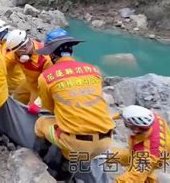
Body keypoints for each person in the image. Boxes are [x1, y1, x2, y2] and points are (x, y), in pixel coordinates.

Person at [34, 28, 115, 162]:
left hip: (77, 144)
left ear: (52, 55)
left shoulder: (46, 77)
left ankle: (38, 159)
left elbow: (49, 108)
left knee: (41, 123)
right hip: (105, 141)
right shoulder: (94, 70)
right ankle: (66, 171)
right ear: (71, 50)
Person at [110, 105, 170, 183]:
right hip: (162, 148)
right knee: (109, 154)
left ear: (136, 129)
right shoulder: (153, 117)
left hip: (156, 158)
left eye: (126, 124)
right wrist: (109, 118)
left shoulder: (146, 154)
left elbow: (132, 179)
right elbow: (125, 113)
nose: (125, 125)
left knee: (141, 174)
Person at [5, 29, 52, 107]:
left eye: (28, 43)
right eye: (22, 48)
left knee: (31, 109)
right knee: (16, 99)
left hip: (40, 88)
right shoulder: (16, 54)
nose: (27, 47)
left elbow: (49, 83)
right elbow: (5, 63)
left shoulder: (45, 58)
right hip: (28, 82)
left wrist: (38, 103)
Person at [0, 20, 26, 103]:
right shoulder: (11, 42)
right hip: (16, 82)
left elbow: (2, 67)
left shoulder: (9, 47)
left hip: (15, 85)